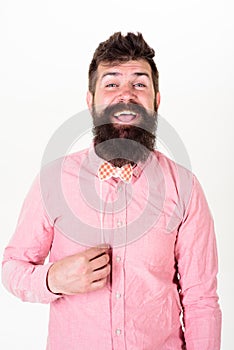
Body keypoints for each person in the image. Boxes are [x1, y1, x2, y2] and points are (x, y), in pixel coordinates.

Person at [2, 32, 221, 350]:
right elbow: (12, 267)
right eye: (112, 83)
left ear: (156, 100)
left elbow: (201, 301)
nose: (126, 95)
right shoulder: (53, 181)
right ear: (90, 101)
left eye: (140, 83)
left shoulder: (185, 187)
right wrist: (52, 280)